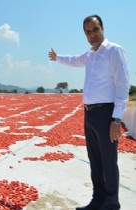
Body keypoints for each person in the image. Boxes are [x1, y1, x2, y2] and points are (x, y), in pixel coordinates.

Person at [48, 15, 130, 210]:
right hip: (90, 114)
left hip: (106, 114)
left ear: (102, 28)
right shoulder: (90, 55)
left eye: (95, 30)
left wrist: (116, 118)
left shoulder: (114, 52)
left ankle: (111, 203)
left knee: (108, 161)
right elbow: (74, 60)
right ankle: (98, 200)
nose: (92, 35)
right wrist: (57, 58)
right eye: (88, 32)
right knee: (95, 160)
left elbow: (122, 85)